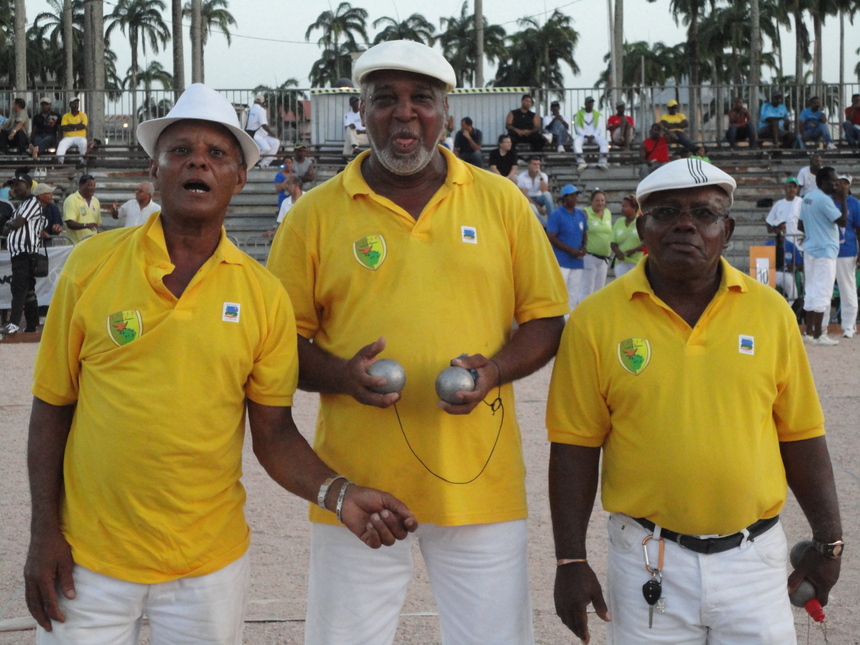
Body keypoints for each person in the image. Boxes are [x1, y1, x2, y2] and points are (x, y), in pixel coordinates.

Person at [23, 82, 416, 645]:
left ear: (239, 177)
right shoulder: (90, 268)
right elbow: (51, 408)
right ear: (156, 172)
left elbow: (274, 436)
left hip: (208, 569)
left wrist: (340, 495)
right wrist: (43, 533)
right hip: (87, 561)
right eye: (180, 151)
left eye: (217, 154)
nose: (198, 163)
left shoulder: (263, 296)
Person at [267, 40, 568, 645]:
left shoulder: (501, 200)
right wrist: (340, 376)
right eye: (386, 99)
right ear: (362, 110)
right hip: (356, 489)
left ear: (446, 109)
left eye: (421, 99)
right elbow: (278, 343)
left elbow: (545, 320)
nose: (404, 113)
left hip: (478, 486)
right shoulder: (313, 215)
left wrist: (496, 370)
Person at [547, 158, 843, 645]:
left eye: (703, 213)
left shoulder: (771, 314)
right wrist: (570, 560)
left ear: (726, 231)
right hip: (646, 556)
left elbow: (802, 435)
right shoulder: (594, 321)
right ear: (642, 226)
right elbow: (575, 447)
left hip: (755, 561)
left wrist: (829, 543)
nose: (685, 223)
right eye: (666, 212)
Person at [799, 165, 848, 345]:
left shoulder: (807, 198)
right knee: (823, 292)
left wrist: (814, 231)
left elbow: (800, 226)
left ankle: (810, 333)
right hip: (825, 251)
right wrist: (843, 199)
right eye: (833, 181)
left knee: (811, 291)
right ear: (823, 182)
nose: (836, 185)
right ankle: (820, 335)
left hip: (810, 249)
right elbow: (842, 221)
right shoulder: (824, 200)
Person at [2, 177, 52, 336]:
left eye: (19, 185)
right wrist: (11, 224)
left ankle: (14, 324)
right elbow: (6, 229)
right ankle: (32, 324)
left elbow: (15, 224)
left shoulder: (31, 203)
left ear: (29, 187)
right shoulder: (23, 206)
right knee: (28, 290)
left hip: (25, 253)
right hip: (20, 253)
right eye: (13, 186)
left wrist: (11, 224)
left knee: (19, 288)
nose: (15, 189)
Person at [547, 184, 588, 313]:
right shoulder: (556, 215)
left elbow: (585, 233)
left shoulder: (580, 214)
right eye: (572, 195)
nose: (575, 198)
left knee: (573, 295)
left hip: (577, 262)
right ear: (565, 198)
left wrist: (583, 248)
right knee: (560, 293)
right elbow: (551, 237)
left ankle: (568, 323)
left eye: (576, 195)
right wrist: (570, 250)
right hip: (562, 261)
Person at [831, 173, 860, 338]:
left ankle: (849, 326)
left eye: (845, 183)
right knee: (825, 289)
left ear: (849, 186)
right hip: (828, 250)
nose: (842, 185)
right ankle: (821, 326)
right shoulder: (827, 200)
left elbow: (859, 229)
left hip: (847, 251)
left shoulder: (854, 204)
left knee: (847, 288)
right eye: (840, 182)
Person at [578, 188, 613, 303]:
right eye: (597, 200)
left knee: (599, 289)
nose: (600, 203)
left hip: (604, 258)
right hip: (590, 256)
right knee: (587, 288)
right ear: (591, 201)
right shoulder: (585, 213)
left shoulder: (607, 213)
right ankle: (582, 314)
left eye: (602, 200)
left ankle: (596, 315)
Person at [764, 221, 803, 305]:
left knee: (791, 284)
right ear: (774, 230)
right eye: (779, 228)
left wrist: (794, 267)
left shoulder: (790, 245)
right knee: (763, 285)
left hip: (784, 272)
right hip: (770, 272)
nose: (782, 231)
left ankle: (791, 308)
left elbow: (801, 264)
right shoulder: (767, 245)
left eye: (784, 228)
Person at [610, 194, 644, 277]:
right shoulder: (619, 222)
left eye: (625, 206)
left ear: (634, 208)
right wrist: (617, 252)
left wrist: (634, 250)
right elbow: (613, 243)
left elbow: (647, 242)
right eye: (622, 206)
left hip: (636, 263)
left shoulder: (641, 222)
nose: (622, 209)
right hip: (621, 262)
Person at [62, 174, 101, 244]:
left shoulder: (96, 201)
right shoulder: (71, 200)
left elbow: (97, 224)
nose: (93, 188)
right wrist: (86, 225)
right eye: (90, 185)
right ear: (80, 186)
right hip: (76, 245)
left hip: (92, 245)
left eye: (94, 185)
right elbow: (69, 223)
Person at [766, 177, 804, 248]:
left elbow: (810, 221)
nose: (792, 189)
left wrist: (806, 236)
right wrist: (776, 234)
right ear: (785, 188)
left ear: (797, 189)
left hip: (799, 245)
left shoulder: (802, 203)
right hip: (783, 245)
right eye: (789, 186)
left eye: (794, 187)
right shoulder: (779, 204)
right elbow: (769, 222)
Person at [573, 97, 608, 172]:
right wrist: (585, 135)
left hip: (594, 136)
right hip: (583, 136)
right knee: (576, 142)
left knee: (604, 141)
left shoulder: (598, 115)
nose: (591, 104)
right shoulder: (578, 115)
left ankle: (602, 161)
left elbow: (599, 128)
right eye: (589, 102)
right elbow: (577, 127)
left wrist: (594, 135)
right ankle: (580, 162)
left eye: (592, 102)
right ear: (585, 104)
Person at [517, 156, 554, 227]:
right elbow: (524, 195)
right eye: (534, 164)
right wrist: (538, 207)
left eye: (538, 164)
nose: (537, 166)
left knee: (547, 194)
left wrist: (540, 176)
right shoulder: (522, 176)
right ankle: (543, 225)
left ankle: (552, 221)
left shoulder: (543, 175)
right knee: (533, 208)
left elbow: (544, 190)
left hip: (539, 197)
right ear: (529, 165)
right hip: (528, 199)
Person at [246, 93, 280, 167]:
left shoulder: (249, 110)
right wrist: (273, 134)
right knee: (266, 148)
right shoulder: (261, 110)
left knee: (275, 142)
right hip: (257, 135)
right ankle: (251, 161)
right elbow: (264, 125)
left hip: (256, 135)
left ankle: (263, 164)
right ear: (263, 102)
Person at [266, 173, 303, 238]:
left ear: (295, 185)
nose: (286, 186)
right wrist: (273, 232)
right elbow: (281, 224)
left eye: (288, 184)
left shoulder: (308, 198)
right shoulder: (285, 202)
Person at [55, 97, 88, 165]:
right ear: (70, 105)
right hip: (68, 137)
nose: (76, 105)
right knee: (62, 144)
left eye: (77, 103)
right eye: (74, 103)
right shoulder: (65, 116)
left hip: (80, 137)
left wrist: (70, 126)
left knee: (83, 142)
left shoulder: (83, 115)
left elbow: (83, 126)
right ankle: (59, 162)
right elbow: (64, 127)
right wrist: (77, 126)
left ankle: (83, 162)